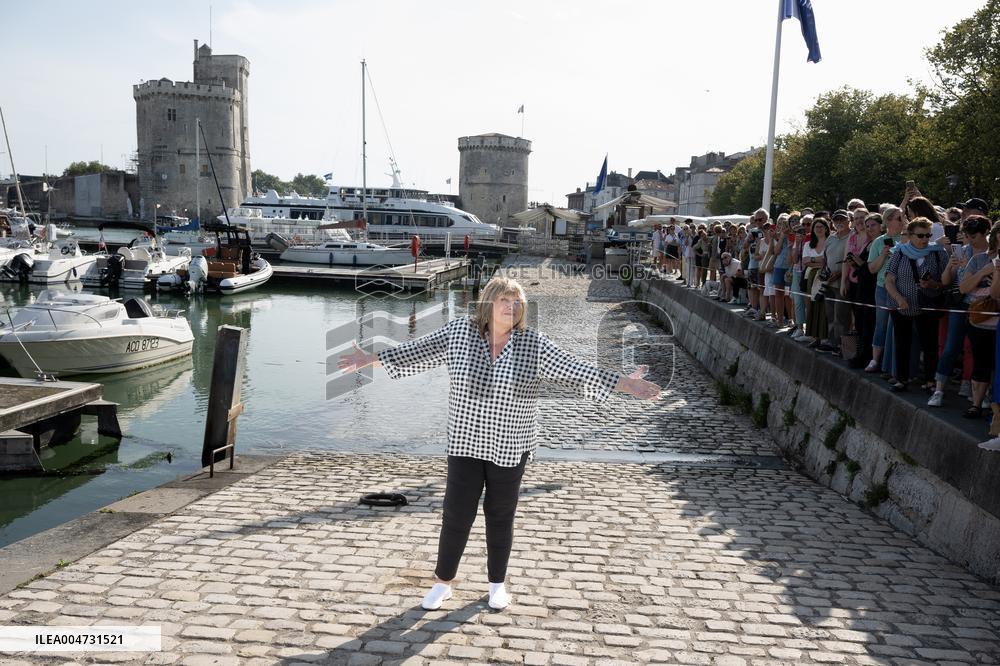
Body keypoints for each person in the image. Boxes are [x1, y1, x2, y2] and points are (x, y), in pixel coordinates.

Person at [337, 276, 660, 611]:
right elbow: (418, 352)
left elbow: (573, 369)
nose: (512, 306)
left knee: (500, 514)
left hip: (510, 443)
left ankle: (496, 585)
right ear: (488, 304)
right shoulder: (460, 333)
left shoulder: (532, 344)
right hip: (465, 440)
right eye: (505, 300)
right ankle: (442, 583)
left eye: (517, 301)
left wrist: (624, 384)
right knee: (456, 514)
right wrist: (372, 359)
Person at [883, 218, 948, 392]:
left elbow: (946, 282)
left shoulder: (938, 253)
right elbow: (888, 280)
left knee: (929, 344)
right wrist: (899, 298)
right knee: (902, 342)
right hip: (901, 305)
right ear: (910, 235)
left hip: (927, 303)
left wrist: (933, 284)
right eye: (920, 235)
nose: (925, 239)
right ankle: (902, 378)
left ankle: (930, 380)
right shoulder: (899, 252)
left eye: (928, 235)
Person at [955, 216, 999, 416]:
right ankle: (976, 404)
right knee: (981, 362)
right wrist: (984, 272)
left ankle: (994, 404)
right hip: (979, 321)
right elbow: (963, 288)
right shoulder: (979, 259)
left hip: (997, 323)